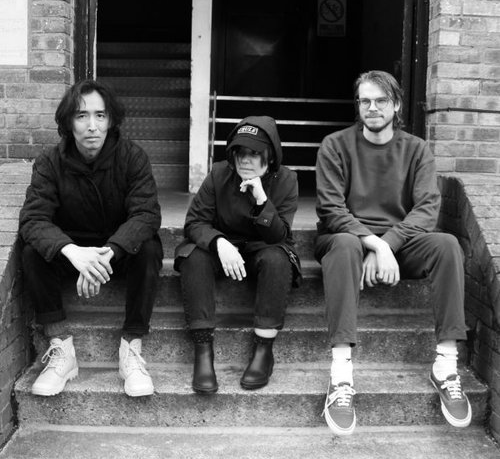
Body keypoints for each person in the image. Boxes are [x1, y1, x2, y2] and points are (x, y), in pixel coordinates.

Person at [315, 70, 471, 436]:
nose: (372, 108)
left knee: (447, 244)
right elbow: (331, 209)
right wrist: (376, 243)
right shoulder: (335, 145)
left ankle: (446, 365)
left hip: (400, 243)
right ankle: (341, 374)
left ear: (396, 104)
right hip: (346, 239)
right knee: (345, 244)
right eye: (365, 101)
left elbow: (428, 209)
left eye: (381, 100)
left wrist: (390, 243)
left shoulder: (416, 149)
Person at [19, 79, 163, 398]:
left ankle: (132, 348)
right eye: (82, 116)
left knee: (150, 247)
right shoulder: (50, 162)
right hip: (72, 253)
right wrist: (72, 251)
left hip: (117, 253)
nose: (92, 126)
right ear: (69, 122)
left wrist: (108, 252)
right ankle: (61, 347)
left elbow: (146, 214)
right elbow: (33, 218)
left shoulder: (133, 157)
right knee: (31, 251)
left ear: (110, 120)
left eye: (100, 115)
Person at [174, 116, 301, 394]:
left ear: (271, 156)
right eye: (240, 152)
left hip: (263, 247)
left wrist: (262, 200)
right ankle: (203, 352)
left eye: (254, 153)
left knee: (278, 259)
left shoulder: (286, 180)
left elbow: (279, 236)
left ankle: (263, 351)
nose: (245, 160)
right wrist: (219, 242)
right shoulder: (219, 174)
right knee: (193, 257)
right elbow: (194, 222)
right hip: (223, 247)